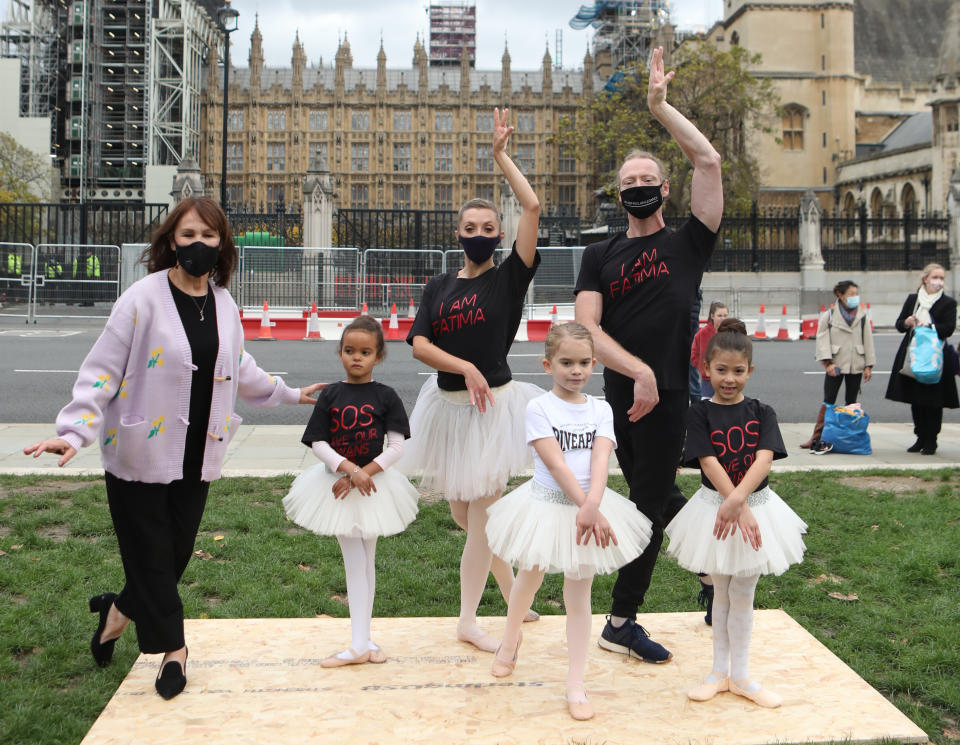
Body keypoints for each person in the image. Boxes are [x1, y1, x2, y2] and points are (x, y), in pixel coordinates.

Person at [23, 197, 323, 700]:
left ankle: (116, 614)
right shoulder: (141, 298)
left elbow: (239, 367)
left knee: (172, 554)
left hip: (198, 453)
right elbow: (101, 371)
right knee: (152, 557)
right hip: (139, 453)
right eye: (187, 236)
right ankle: (174, 652)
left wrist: (289, 393)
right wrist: (74, 431)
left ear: (222, 243)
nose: (198, 245)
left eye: (208, 236)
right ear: (170, 242)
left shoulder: (224, 302)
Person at [574, 46, 723, 661]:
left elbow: (708, 159)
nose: (637, 188)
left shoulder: (689, 242)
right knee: (657, 499)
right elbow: (587, 329)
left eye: (647, 180)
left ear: (665, 188)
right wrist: (634, 371)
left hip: (666, 402)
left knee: (647, 509)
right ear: (618, 194)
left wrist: (661, 107)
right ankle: (715, 571)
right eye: (627, 182)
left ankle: (620, 619)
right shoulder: (600, 255)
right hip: (619, 398)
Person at [403, 107, 542, 652]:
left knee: (481, 519)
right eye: (471, 229)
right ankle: (512, 593)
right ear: (457, 233)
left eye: (489, 229)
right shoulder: (439, 286)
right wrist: (462, 366)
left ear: (499, 234)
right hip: (448, 406)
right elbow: (418, 343)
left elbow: (532, 205)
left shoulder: (509, 279)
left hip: (493, 411)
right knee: (467, 516)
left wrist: (501, 156)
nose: (480, 235)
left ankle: (467, 620)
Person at [485, 323, 652, 720]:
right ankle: (509, 642)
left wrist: (592, 505)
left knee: (579, 594)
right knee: (530, 576)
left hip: (589, 507)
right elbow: (554, 462)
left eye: (583, 363)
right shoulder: (539, 408)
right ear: (548, 364)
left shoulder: (600, 409)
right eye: (565, 362)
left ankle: (575, 683)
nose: (575, 370)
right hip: (546, 505)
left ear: (594, 364)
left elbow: (600, 459)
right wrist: (585, 505)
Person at [665, 319, 807, 708]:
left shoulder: (763, 411)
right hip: (715, 511)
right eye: (721, 370)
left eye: (738, 371)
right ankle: (718, 671)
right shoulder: (700, 412)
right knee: (721, 592)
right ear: (706, 369)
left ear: (750, 371)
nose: (729, 379)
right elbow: (708, 461)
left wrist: (740, 502)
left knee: (744, 591)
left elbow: (764, 460)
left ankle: (741, 675)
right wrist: (731, 503)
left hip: (755, 510)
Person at [283, 316, 419, 667]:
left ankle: (362, 642)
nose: (356, 357)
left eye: (365, 352)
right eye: (349, 351)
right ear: (340, 352)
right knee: (355, 561)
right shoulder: (331, 394)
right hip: (337, 488)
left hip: (373, 487)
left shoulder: (386, 396)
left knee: (365, 563)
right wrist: (349, 470)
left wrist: (363, 473)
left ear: (378, 355)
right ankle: (363, 642)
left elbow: (396, 446)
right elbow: (318, 442)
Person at [885, 264, 958, 455]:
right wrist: (907, 322)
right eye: (935, 277)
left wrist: (930, 326)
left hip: (935, 356)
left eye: (942, 278)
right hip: (913, 354)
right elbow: (899, 325)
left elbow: (948, 328)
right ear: (925, 279)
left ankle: (931, 439)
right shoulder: (913, 299)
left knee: (934, 399)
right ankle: (919, 437)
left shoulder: (948, 302)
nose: (939, 282)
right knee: (915, 398)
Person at [801, 281, 876, 454]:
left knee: (851, 403)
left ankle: (849, 438)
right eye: (851, 294)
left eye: (856, 293)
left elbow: (868, 341)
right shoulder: (830, 315)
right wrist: (828, 363)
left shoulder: (862, 316)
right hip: (836, 363)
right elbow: (822, 340)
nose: (854, 297)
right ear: (840, 295)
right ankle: (817, 437)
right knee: (829, 400)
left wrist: (868, 365)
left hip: (855, 363)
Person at [691, 301, 729, 400]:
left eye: (725, 315)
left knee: (726, 407)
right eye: (719, 315)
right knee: (709, 407)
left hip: (727, 378)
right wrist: (704, 370)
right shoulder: (703, 333)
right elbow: (695, 354)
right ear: (712, 316)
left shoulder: (730, 332)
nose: (723, 318)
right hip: (708, 379)